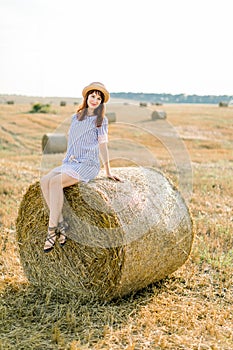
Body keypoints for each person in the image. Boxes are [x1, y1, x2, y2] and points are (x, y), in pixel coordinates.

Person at [40, 82, 121, 253]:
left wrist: (107, 170)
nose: (95, 100)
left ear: (101, 103)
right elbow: (72, 141)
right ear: (87, 97)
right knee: (44, 181)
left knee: (55, 183)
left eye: (99, 98)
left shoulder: (101, 121)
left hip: (88, 164)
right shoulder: (75, 117)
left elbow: (103, 146)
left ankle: (51, 230)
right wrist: (66, 160)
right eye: (93, 96)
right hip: (71, 162)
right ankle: (61, 222)